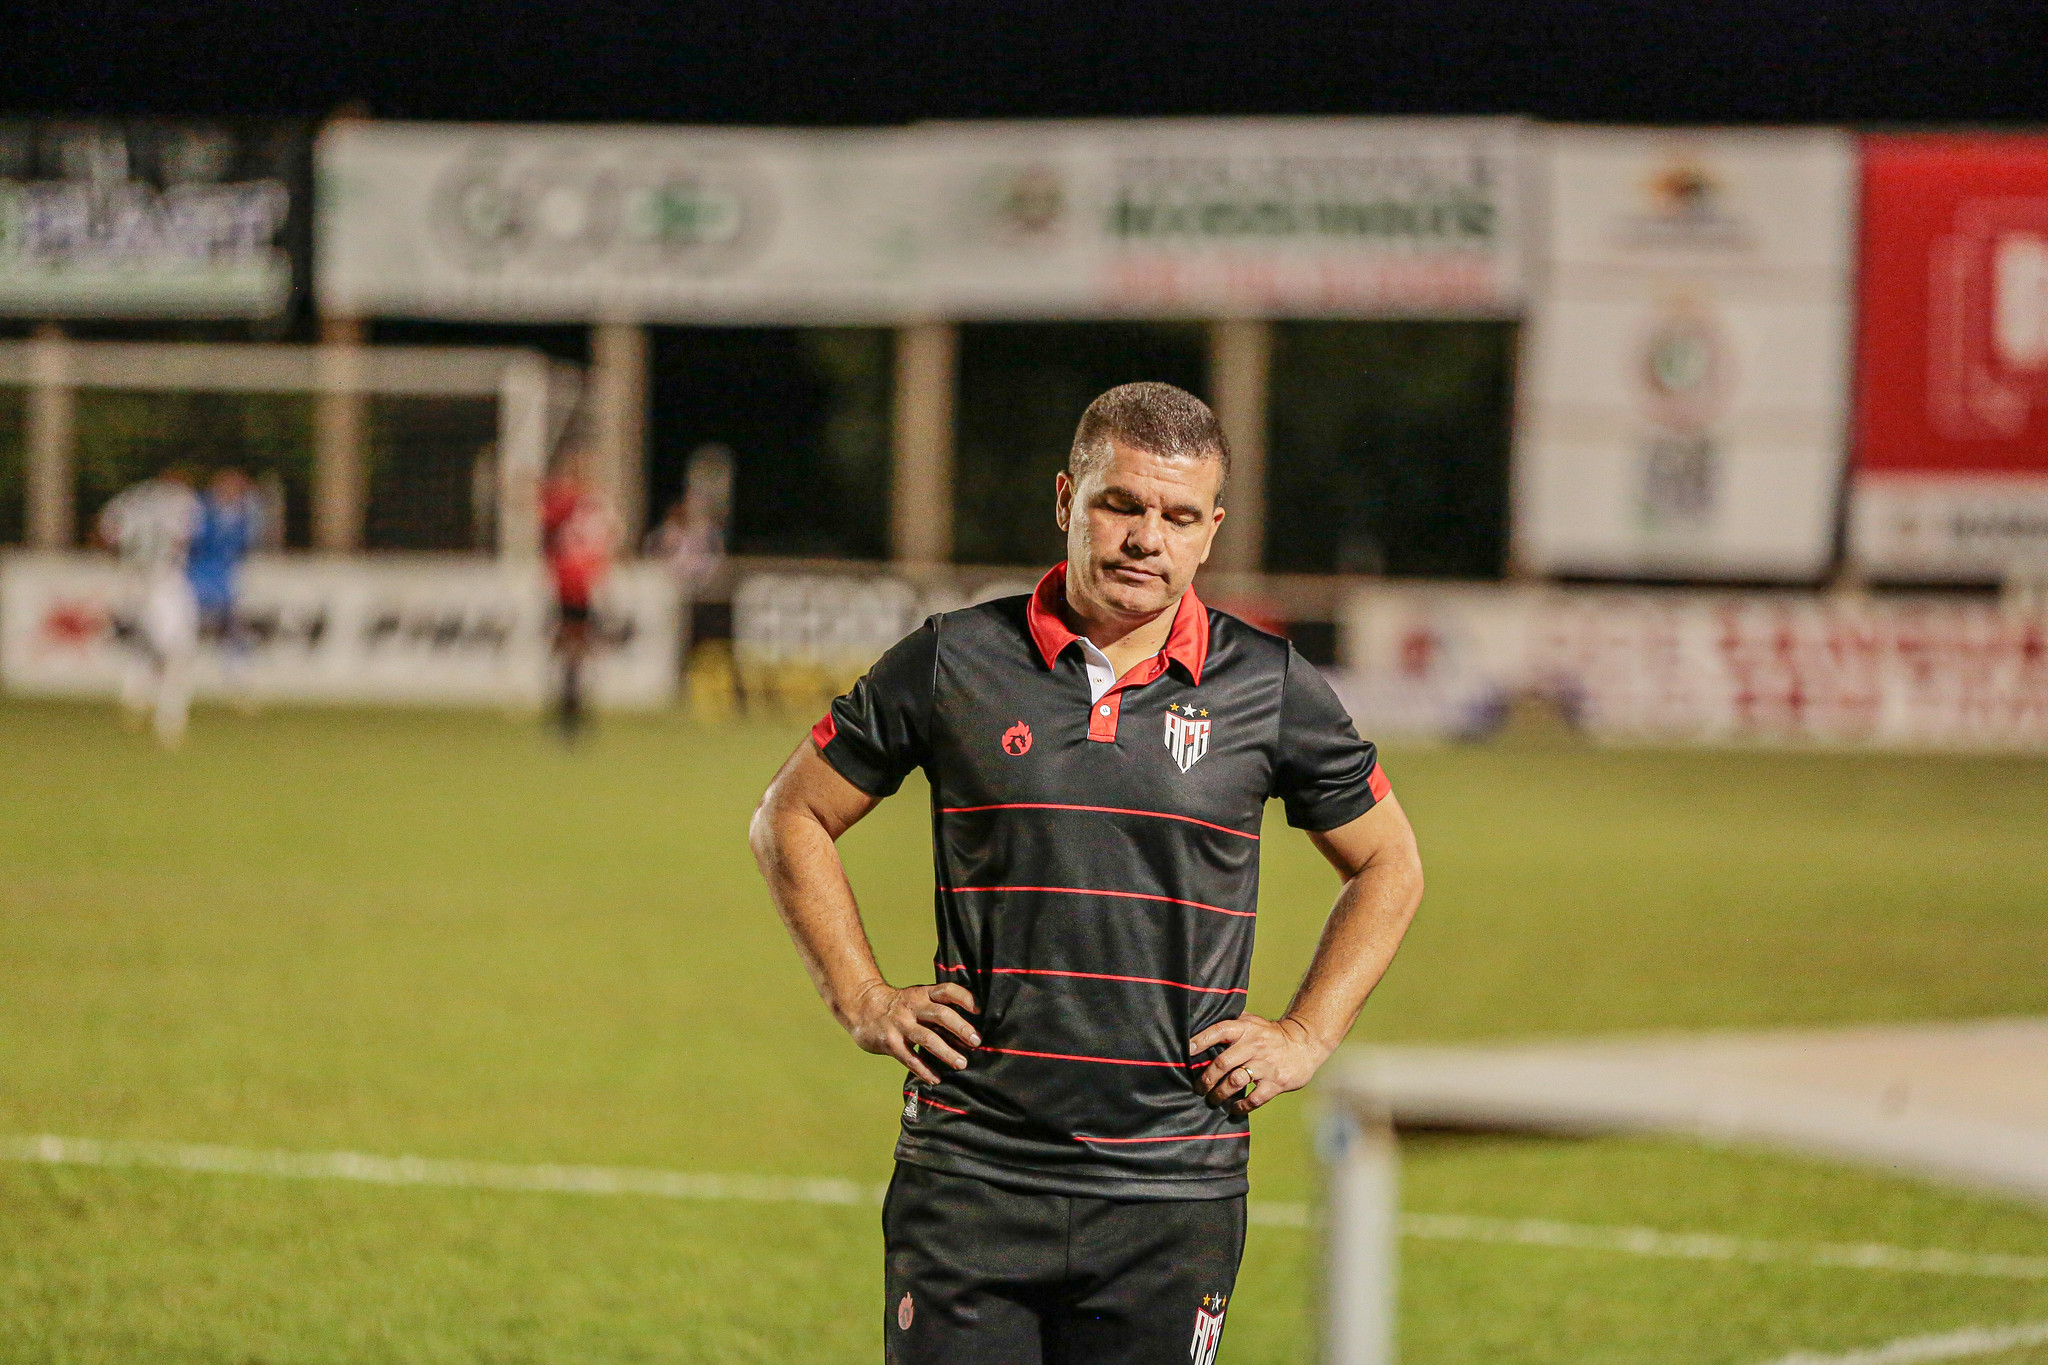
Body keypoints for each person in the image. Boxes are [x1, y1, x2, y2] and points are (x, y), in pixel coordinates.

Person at [750, 382, 1425, 1364]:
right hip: (970, 1172)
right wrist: (859, 996)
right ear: (1066, 498)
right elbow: (792, 814)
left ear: (1208, 534)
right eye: (1121, 503)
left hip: (1172, 1189)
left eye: (1178, 516)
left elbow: (1388, 864)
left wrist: (1304, 1034)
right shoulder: (955, 661)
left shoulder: (1267, 687)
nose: (1146, 537)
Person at [97, 466, 202, 747]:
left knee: (144, 644)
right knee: (179, 651)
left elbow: (106, 532)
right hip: (164, 579)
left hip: (130, 578)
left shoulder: (130, 499)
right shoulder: (180, 500)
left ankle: (134, 695)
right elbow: (185, 538)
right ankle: (170, 720)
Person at [541, 457, 620, 739]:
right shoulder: (589, 505)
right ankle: (571, 711)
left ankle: (571, 712)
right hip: (576, 585)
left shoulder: (568, 505)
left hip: (574, 586)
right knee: (574, 650)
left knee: (572, 651)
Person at [188, 467, 265, 703]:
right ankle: (157, 681)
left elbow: (246, 545)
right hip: (196, 580)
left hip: (224, 582)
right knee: (182, 633)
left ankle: (237, 681)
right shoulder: (200, 510)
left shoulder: (242, 516)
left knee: (232, 632)